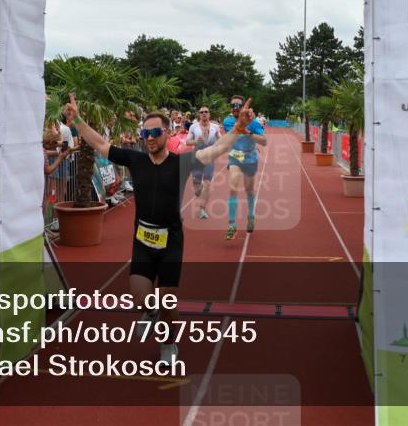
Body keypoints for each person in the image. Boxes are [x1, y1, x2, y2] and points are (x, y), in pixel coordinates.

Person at [66, 93, 256, 365]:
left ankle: (168, 343)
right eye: (145, 132)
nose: (149, 137)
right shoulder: (136, 160)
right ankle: (150, 312)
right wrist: (78, 121)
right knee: (141, 297)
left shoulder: (182, 163)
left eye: (155, 132)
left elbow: (216, 150)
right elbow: (100, 143)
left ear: (167, 133)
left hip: (171, 242)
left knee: (168, 302)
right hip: (142, 239)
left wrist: (238, 128)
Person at [222, 95, 267, 240]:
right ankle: (232, 225)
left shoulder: (253, 122)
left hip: (250, 157)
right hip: (235, 156)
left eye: (238, 105)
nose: (235, 107)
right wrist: (240, 126)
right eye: (233, 105)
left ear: (242, 107)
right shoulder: (227, 121)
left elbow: (264, 141)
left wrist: (248, 132)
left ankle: (251, 215)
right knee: (233, 187)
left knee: (249, 189)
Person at [186, 106, 221, 220]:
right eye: (201, 112)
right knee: (197, 188)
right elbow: (187, 142)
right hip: (197, 157)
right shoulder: (193, 127)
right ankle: (198, 189)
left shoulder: (215, 127)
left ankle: (202, 209)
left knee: (207, 183)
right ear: (199, 115)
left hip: (209, 157)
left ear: (209, 114)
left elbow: (220, 140)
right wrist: (196, 141)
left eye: (206, 112)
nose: (204, 114)